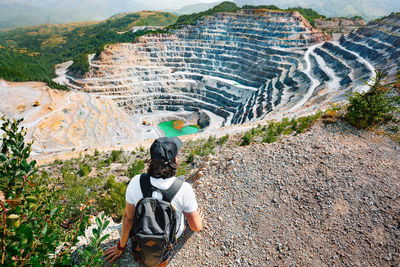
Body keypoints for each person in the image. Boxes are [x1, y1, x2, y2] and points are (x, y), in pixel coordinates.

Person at [105, 137, 203, 266]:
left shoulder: (136, 182)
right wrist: (198, 219)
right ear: (175, 160)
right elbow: (196, 227)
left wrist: (120, 247)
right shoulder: (184, 189)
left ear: (151, 161)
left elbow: (128, 219)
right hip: (167, 241)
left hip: (141, 239)